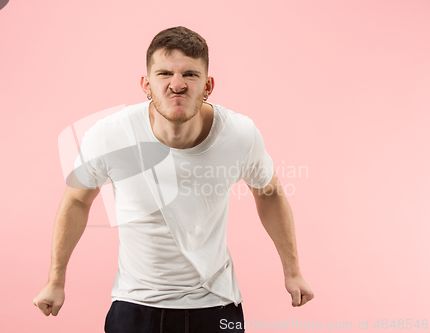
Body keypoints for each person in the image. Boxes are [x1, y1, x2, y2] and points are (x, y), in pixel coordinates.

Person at [33, 26, 314, 332]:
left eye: (190, 75)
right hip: (135, 306)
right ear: (146, 84)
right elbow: (76, 200)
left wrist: (293, 271)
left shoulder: (239, 135)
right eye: (164, 73)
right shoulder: (110, 136)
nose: (177, 85)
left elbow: (270, 193)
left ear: (208, 86)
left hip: (216, 305)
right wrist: (55, 280)